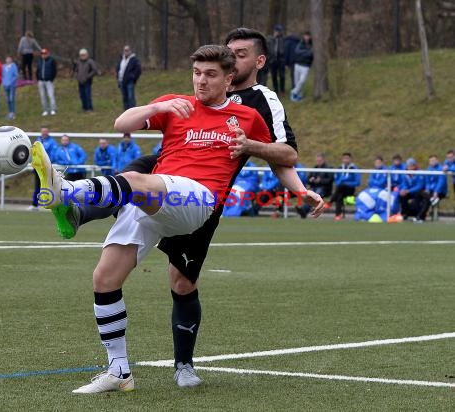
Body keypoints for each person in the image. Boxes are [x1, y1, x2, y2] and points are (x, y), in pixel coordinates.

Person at [40, 28, 323, 390]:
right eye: (197, 73)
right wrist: (157, 106)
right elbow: (121, 124)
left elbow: (284, 156)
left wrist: (301, 189)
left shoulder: (250, 114)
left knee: (143, 196)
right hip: (158, 190)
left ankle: (69, 193)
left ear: (230, 76)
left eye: (211, 73)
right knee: (105, 277)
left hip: (198, 199)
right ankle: (118, 371)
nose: (201, 80)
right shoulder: (177, 104)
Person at [29, 127, 58, 210]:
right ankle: (35, 204)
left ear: (48, 132)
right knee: (37, 185)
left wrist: (48, 162)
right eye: (43, 131)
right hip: (38, 167)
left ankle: (51, 204)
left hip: (47, 167)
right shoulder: (38, 140)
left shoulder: (52, 142)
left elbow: (53, 154)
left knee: (49, 186)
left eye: (46, 131)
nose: (44, 133)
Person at [326, 152, 361, 220]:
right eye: (344, 158)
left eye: (347, 158)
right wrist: (341, 181)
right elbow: (336, 181)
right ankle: (338, 215)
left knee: (341, 186)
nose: (345, 160)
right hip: (340, 190)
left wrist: (346, 182)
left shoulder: (354, 168)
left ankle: (330, 202)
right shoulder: (340, 168)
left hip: (350, 190)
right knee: (339, 196)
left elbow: (357, 182)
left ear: (350, 159)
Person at [298, 152, 333, 218]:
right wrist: (311, 180)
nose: (318, 162)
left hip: (324, 188)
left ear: (323, 160)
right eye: (317, 160)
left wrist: (320, 180)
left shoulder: (328, 168)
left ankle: (304, 210)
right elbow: (308, 180)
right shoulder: (315, 168)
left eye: (320, 160)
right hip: (314, 188)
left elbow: (330, 180)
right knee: (308, 194)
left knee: (315, 194)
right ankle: (303, 210)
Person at [399, 158, 428, 222]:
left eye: (412, 165)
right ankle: (405, 213)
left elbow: (419, 186)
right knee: (402, 196)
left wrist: (409, 191)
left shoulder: (419, 173)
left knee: (418, 195)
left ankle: (418, 215)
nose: (410, 167)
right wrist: (404, 190)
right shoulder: (405, 174)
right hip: (408, 191)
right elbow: (404, 183)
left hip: (417, 191)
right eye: (409, 165)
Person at [116, 45, 142, 110]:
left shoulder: (134, 60)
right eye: (125, 50)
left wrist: (132, 77)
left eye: (127, 50)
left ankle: (132, 110)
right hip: (121, 81)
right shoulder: (122, 59)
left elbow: (138, 70)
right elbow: (118, 68)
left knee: (131, 97)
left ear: (130, 51)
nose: (126, 52)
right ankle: (126, 111)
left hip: (130, 81)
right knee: (124, 97)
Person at [290, 31, 313, 102]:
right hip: (297, 65)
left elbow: (311, 54)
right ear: (303, 36)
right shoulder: (300, 43)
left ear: (310, 37)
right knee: (297, 82)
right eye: (305, 36)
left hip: (306, 66)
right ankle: (296, 97)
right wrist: (306, 52)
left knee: (302, 81)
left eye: (308, 36)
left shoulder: (311, 44)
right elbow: (297, 51)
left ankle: (294, 92)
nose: (306, 37)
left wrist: (303, 52)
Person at [36, 48, 57, 116]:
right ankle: (45, 110)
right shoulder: (40, 61)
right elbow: (37, 70)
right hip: (41, 81)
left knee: (51, 95)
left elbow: (54, 71)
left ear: (47, 54)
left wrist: (51, 78)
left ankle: (53, 109)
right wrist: (38, 79)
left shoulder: (51, 60)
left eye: (45, 54)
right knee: (43, 96)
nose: (43, 55)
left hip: (49, 81)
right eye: (42, 54)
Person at [267, 24, 286, 95]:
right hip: (273, 60)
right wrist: (269, 58)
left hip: (281, 60)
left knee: (282, 76)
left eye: (280, 31)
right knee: (274, 76)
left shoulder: (283, 39)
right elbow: (268, 49)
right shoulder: (270, 39)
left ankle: (282, 90)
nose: (279, 33)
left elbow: (284, 49)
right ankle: (276, 90)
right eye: (278, 31)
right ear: (275, 31)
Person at [2, 56, 19, 120]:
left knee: (12, 99)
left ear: (11, 60)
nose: (8, 60)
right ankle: (9, 112)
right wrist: (4, 82)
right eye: (7, 59)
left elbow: (16, 75)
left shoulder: (13, 66)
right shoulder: (3, 66)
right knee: (8, 99)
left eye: (9, 59)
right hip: (5, 86)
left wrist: (11, 82)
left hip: (12, 85)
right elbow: (2, 75)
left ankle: (13, 112)